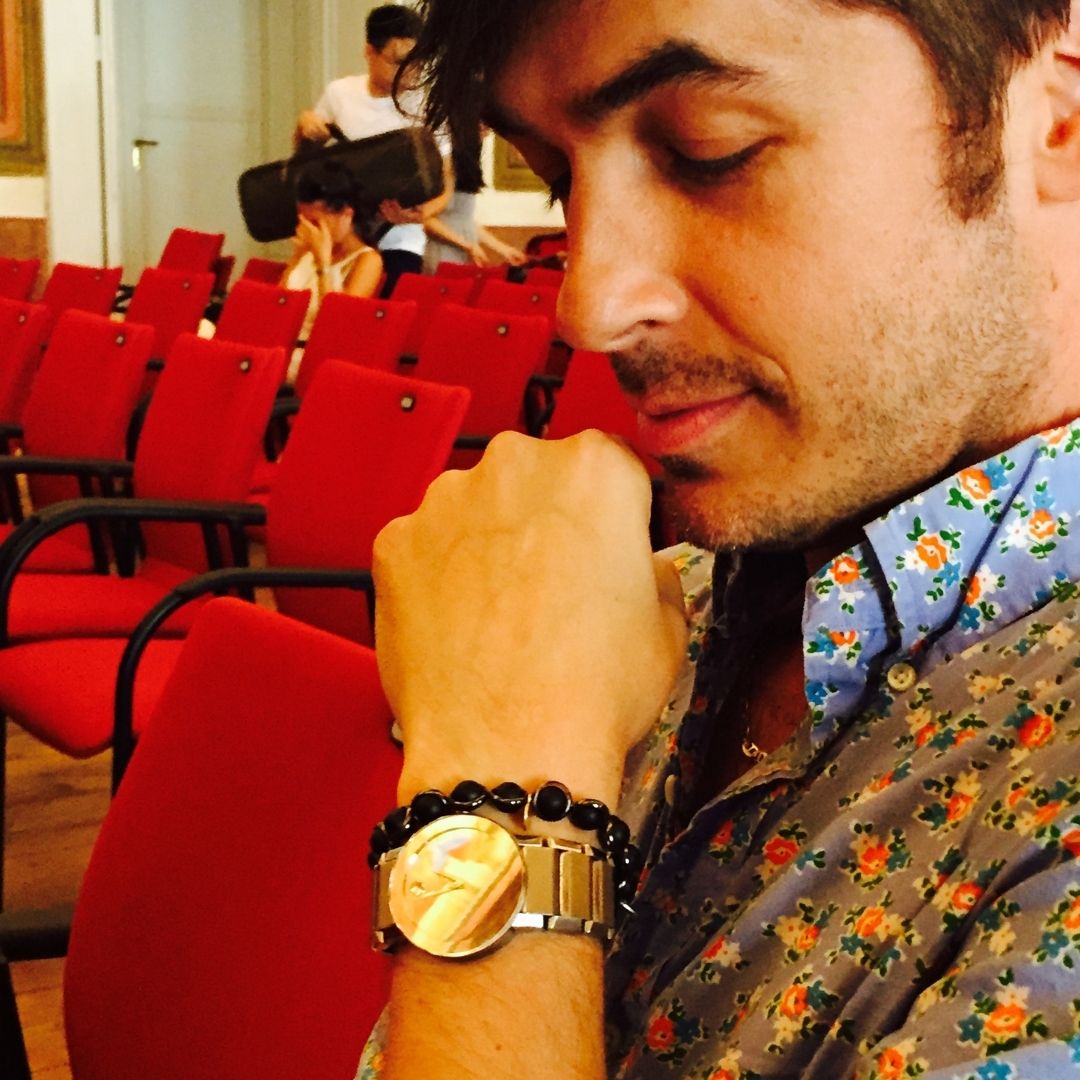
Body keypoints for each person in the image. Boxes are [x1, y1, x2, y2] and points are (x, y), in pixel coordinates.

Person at [362, 1, 1080, 1078]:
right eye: (556, 177)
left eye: (713, 152)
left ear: (1058, 123)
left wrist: (505, 804)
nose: (588, 301)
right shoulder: (660, 595)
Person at [295, 4, 448, 295]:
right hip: (341, 240)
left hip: (400, 241)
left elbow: (447, 183)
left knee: (375, 330)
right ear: (370, 52)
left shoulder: (427, 106)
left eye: (417, 63)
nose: (410, 72)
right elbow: (307, 163)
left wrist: (421, 213)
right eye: (399, 61)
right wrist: (304, 126)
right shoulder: (340, 94)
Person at [280, 159, 383, 343]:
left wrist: (323, 265)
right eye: (302, 220)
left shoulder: (368, 260)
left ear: (346, 215)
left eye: (315, 222)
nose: (308, 229)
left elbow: (338, 324)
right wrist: (298, 255)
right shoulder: (306, 250)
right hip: (284, 344)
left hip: (319, 351)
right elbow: (278, 307)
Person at [422, 130, 527, 272]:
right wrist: (468, 245)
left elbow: (465, 221)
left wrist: (503, 249)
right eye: (482, 126)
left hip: (463, 250)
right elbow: (426, 220)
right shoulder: (445, 163)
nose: (488, 132)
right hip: (443, 251)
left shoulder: (466, 164)